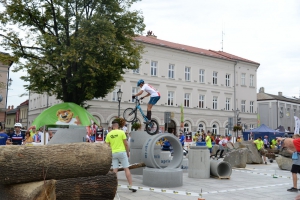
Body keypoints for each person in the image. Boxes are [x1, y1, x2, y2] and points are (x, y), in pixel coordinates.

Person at [105, 120, 137, 192]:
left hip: (113, 153)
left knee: (115, 170)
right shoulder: (122, 132)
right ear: (118, 126)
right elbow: (126, 144)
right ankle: (130, 185)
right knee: (126, 169)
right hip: (122, 152)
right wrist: (127, 152)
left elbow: (107, 146)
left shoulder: (109, 134)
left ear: (112, 126)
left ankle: (114, 187)